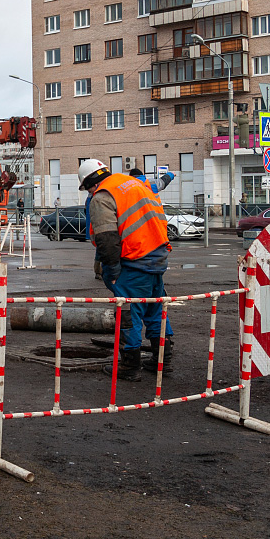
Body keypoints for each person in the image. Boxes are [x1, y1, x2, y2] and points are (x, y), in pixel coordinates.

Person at [78, 159, 173, 381]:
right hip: (158, 256)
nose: (89, 192)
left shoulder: (102, 197)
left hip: (135, 260)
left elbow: (107, 238)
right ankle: (163, 361)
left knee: (129, 313)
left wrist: (111, 270)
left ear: (90, 182)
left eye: (87, 188)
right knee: (156, 310)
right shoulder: (132, 183)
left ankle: (130, 366)